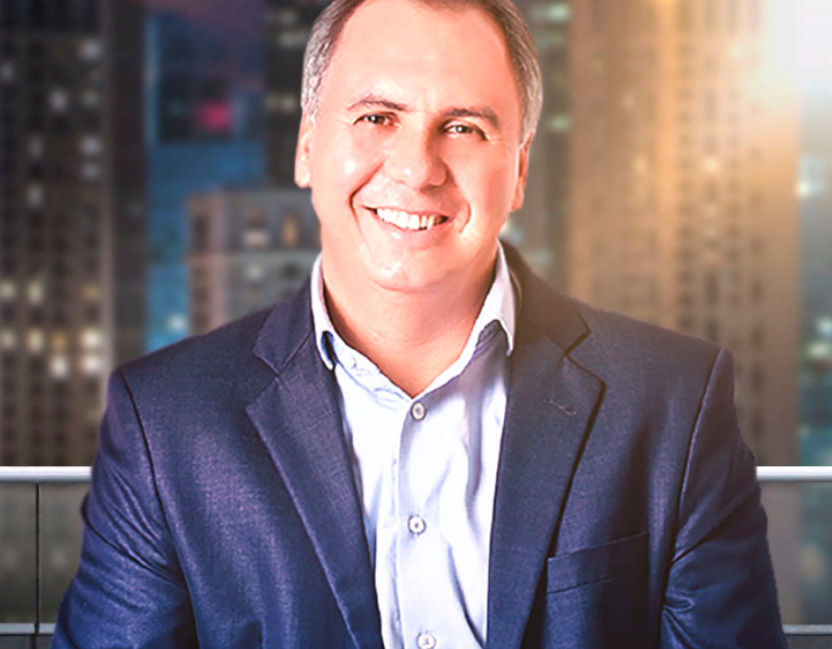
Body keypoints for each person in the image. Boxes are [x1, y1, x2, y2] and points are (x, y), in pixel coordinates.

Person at [52, 0, 787, 647]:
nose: (416, 168)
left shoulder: (673, 404)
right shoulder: (166, 424)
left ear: (519, 170)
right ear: (306, 146)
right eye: (377, 117)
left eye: (462, 128)